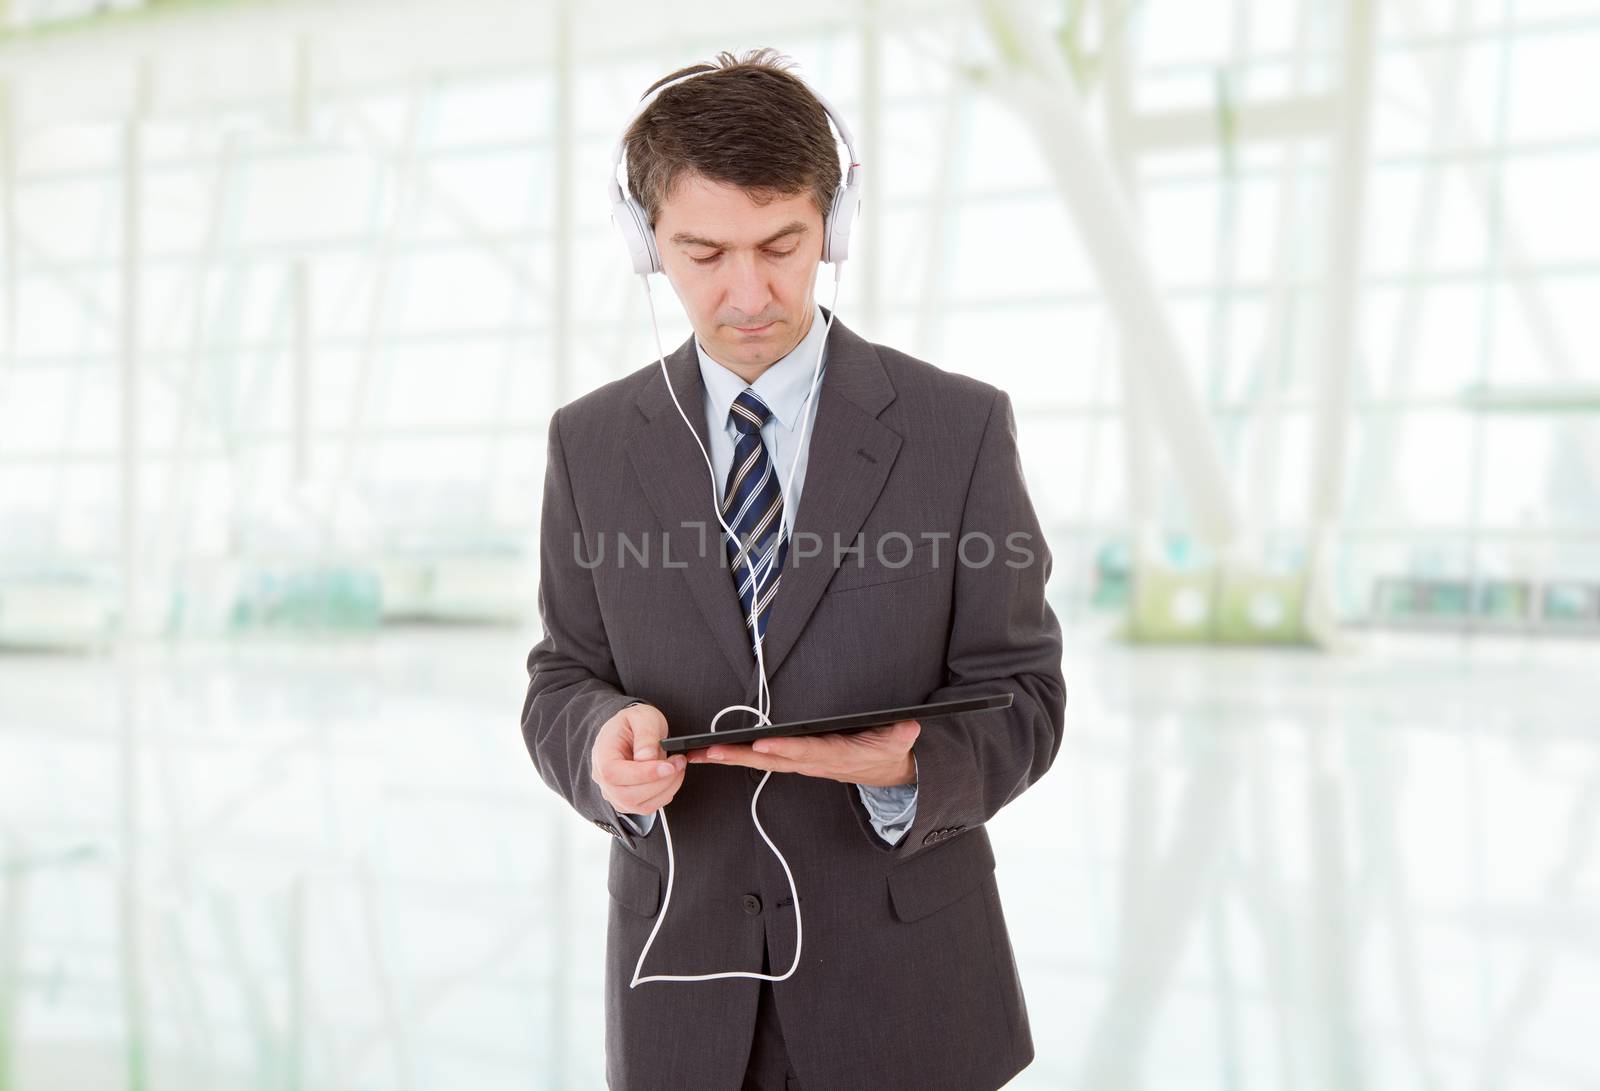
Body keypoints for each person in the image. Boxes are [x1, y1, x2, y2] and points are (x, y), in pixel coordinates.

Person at [520, 47, 1066, 1091]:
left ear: (835, 226)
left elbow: (1027, 692)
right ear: (645, 246)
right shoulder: (588, 444)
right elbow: (559, 676)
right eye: (702, 252)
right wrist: (598, 745)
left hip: (908, 994)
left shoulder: (958, 428)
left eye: (782, 244)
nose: (748, 292)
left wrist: (913, 766)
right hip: (680, 991)